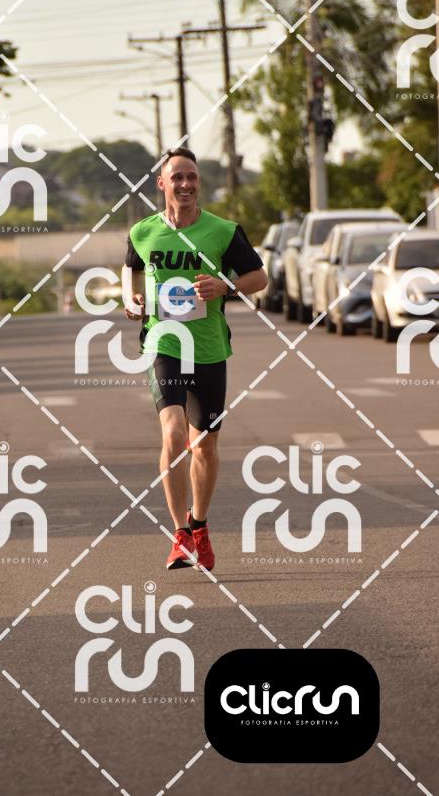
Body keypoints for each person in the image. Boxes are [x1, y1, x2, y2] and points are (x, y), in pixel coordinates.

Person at [122, 147, 267, 571]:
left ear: (199, 183)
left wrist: (225, 287)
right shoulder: (143, 232)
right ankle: (180, 534)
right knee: (172, 436)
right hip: (164, 344)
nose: (185, 185)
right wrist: (130, 299)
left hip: (208, 349)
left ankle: (199, 525)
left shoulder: (223, 231)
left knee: (204, 444)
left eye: (192, 178)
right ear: (161, 184)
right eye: (177, 177)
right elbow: (131, 270)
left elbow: (259, 277)